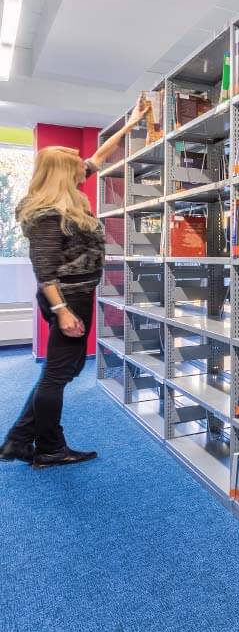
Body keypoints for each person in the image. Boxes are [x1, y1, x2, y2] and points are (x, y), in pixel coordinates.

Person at [0, 96, 151, 468]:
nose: (83, 170)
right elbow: (44, 270)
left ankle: (19, 440)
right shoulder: (46, 214)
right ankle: (48, 448)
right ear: (62, 174)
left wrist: (131, 124)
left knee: (61, 370)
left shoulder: (65, 200)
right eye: (75, 168)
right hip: (66, 298)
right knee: (59, 373)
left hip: (74, 296)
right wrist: (63, 311)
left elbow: (97, 159)